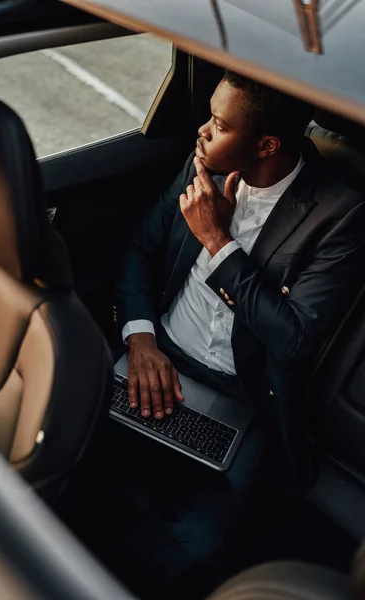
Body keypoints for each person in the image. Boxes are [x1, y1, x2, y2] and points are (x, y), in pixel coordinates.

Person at [112, 71, 365, 592]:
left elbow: (294, 338)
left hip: (245, 396)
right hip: (159, 353)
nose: (202, 131)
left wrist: (217, 242)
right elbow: (139, 248)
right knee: (74, 454)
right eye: (209, 115)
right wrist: (140, 339)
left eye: (219, 124)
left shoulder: (342, 215)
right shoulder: (200, 163)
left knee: (196, 544)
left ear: (266, 144)